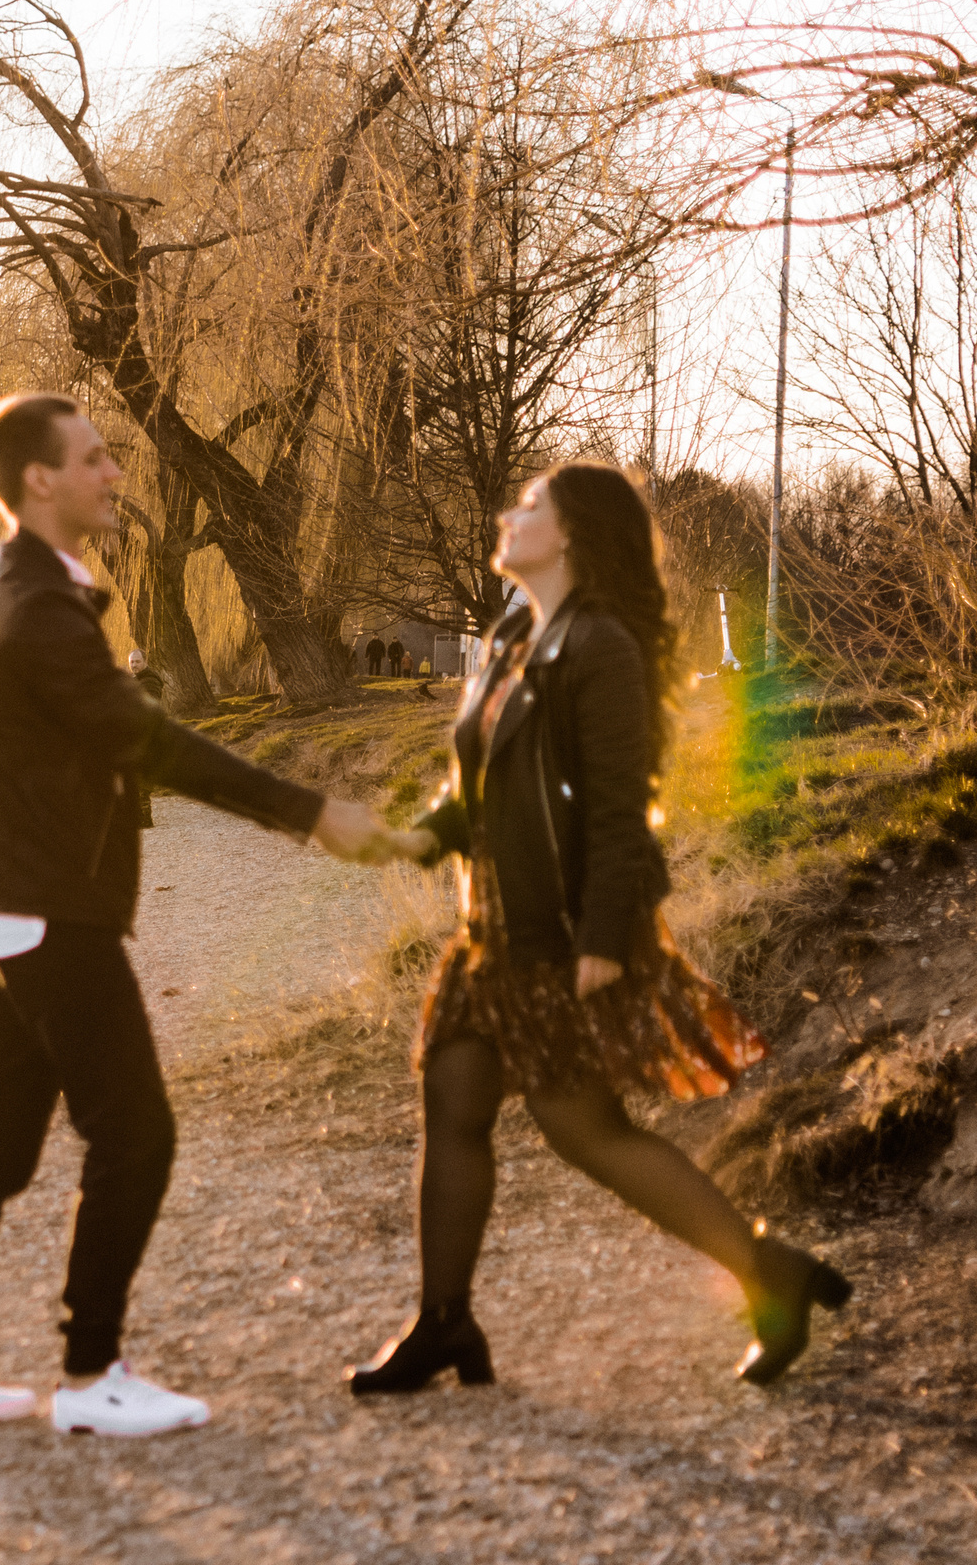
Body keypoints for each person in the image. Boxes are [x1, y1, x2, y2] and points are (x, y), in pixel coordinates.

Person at [0, 392, 397, 1439]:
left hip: (5, 905)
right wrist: (310, 814)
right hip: (48, 910)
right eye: (93, 458)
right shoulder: (33, 606)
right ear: (39, 480)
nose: (115, 472)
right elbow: (147, 740)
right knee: (136, 1136)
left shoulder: (8, 587)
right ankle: (90, 1375)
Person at [352, 461, 850, 1395]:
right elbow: (480, 785)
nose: (509, 514)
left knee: (586, 1129)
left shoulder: (601, 647)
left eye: (529, 505)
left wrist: (602, 941)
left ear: (572, 533)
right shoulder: (511, 636)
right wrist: (421, 833)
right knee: (453, 1097)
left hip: (560, 933)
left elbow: (623, 812)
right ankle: (444, 1321)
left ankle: (768, 1270)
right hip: (491, 930)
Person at [125, 649, 164, 828]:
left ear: (145, 662)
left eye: (137, 662)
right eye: (132, 662)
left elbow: (148, 707)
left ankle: (144, 818)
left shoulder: (150, 682)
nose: (134, 665)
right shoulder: (136, 680)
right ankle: (139, 817)